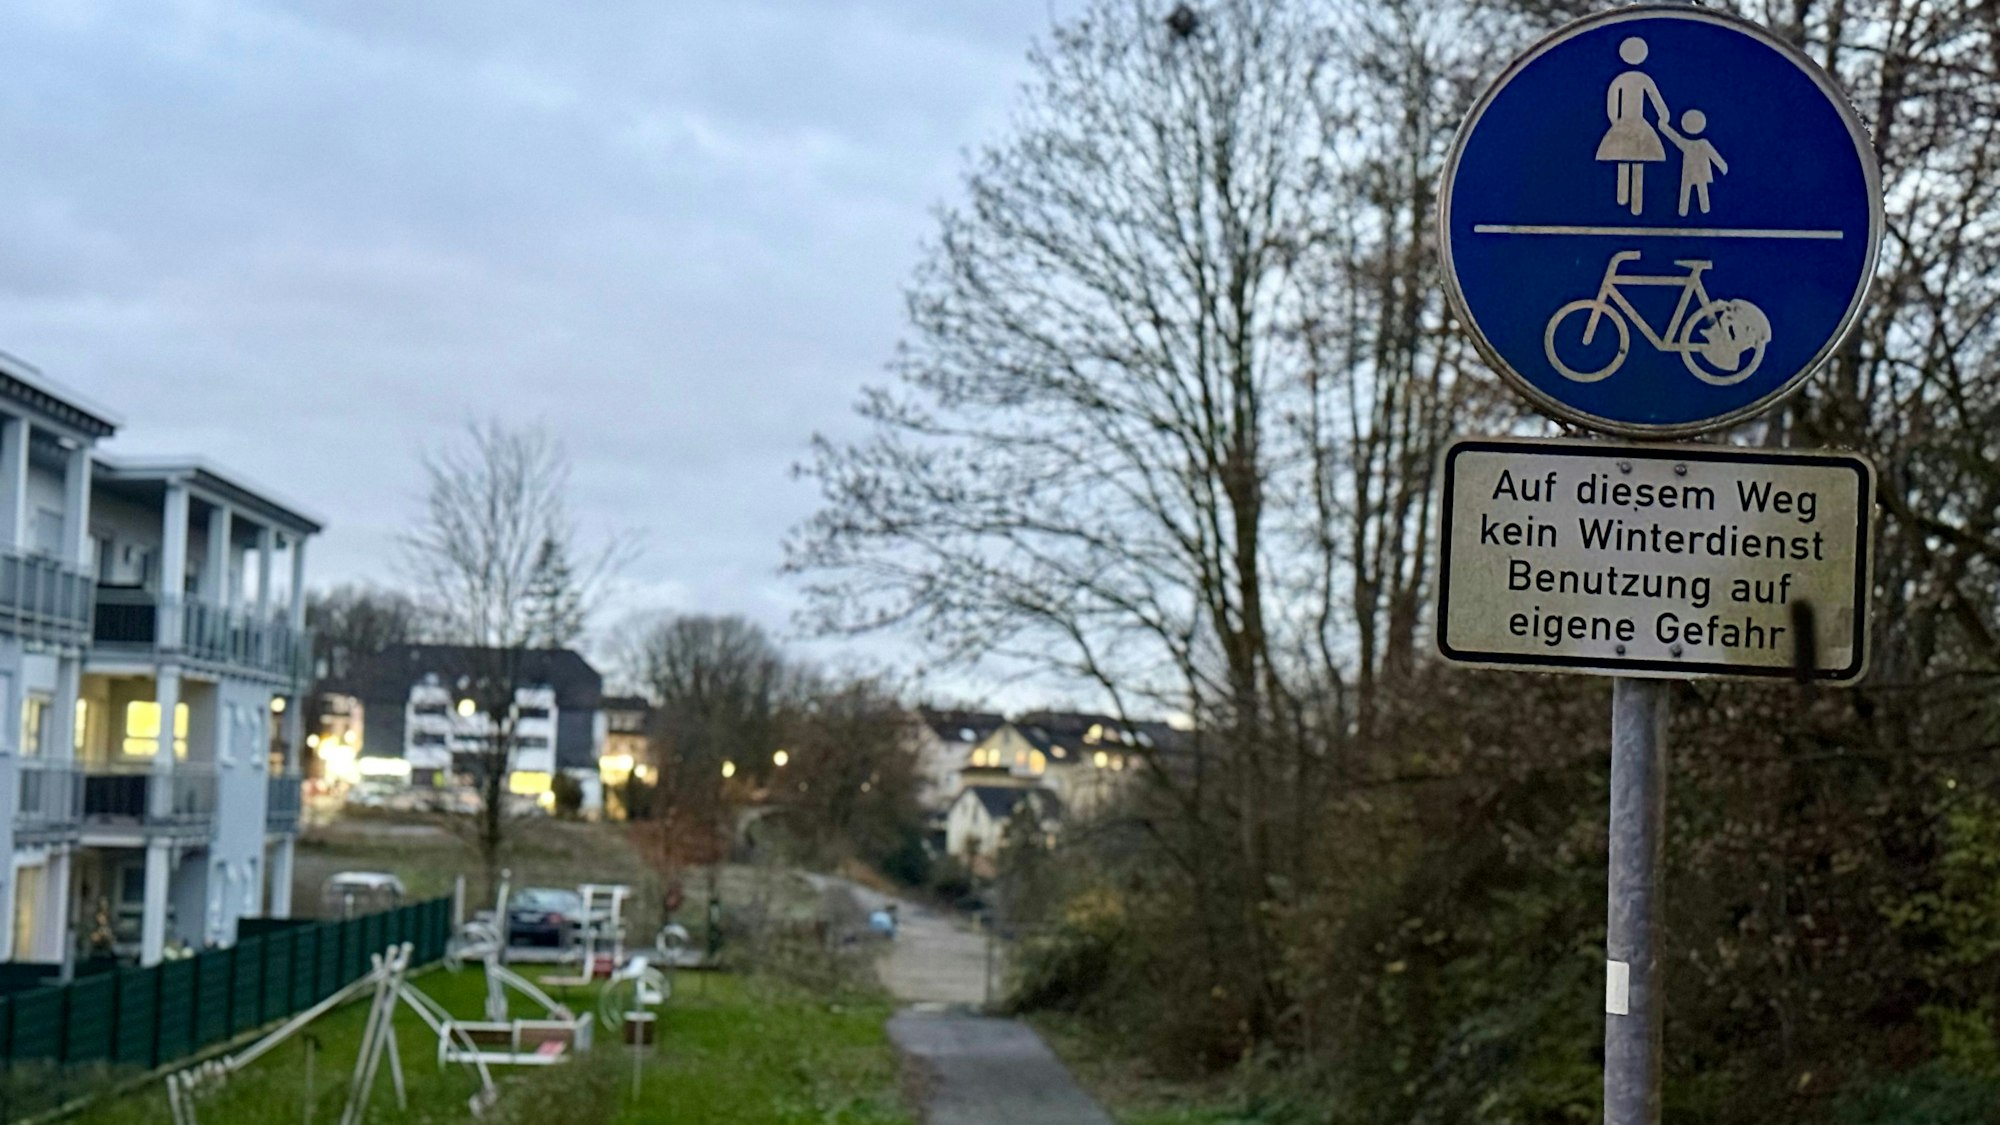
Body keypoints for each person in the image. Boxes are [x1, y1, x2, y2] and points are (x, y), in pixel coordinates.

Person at [1597, 36, 1671, 216]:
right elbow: (1656, 100)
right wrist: (1663, 115)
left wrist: (1616, 121)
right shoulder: (1635, 79)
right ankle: (1625, 201)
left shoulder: (1626, 79)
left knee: (1634, 157)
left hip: (1628, 123)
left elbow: (1612, 104)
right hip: (1631, 123)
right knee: (1633, 157)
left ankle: (1632, 202)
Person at [1660, 109, 1728, 216]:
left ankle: (1692, 209)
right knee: (1690, 188)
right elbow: (1674, 137)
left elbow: (1714, 156)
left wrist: (1722, 166)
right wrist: (1663, 127)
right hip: (1692, 171)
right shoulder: (1697, 144)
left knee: (1697, 189)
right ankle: (1685, 210)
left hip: (1696, 171)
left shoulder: (1696, 144)